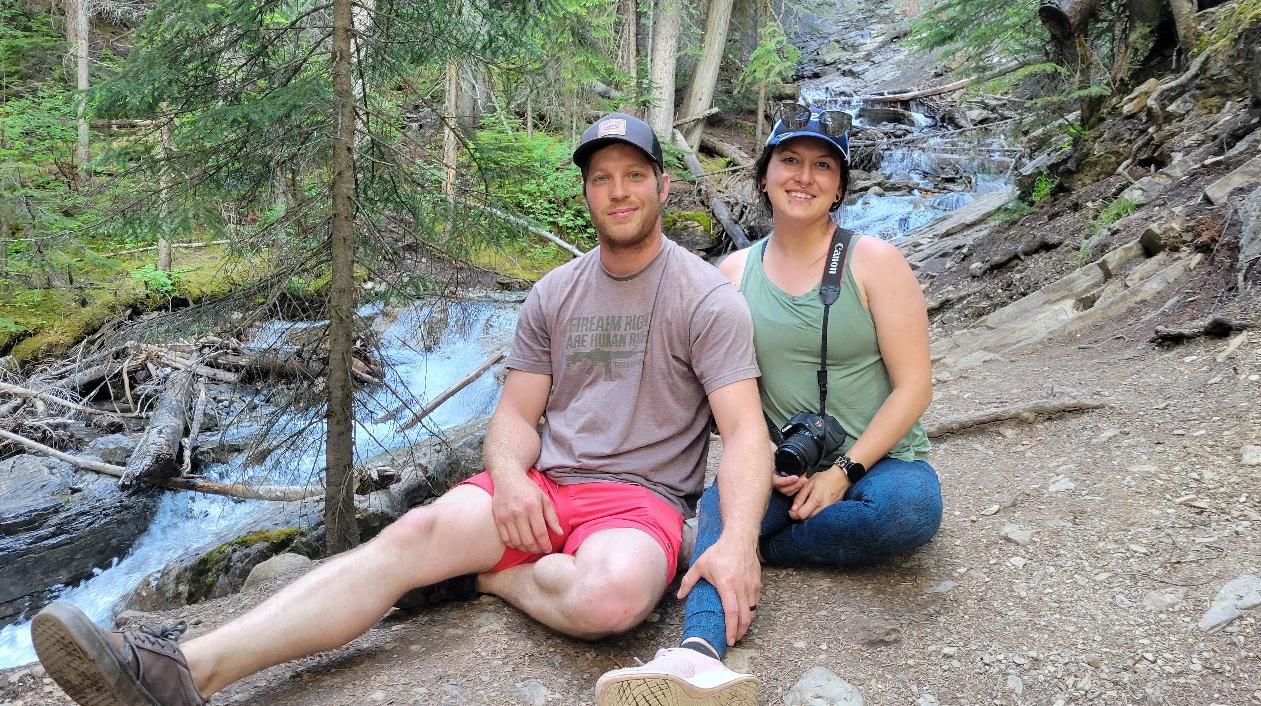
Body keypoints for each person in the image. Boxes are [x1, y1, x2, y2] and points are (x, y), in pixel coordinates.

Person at [30, 113, 774, 706]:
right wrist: (510, 480)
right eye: (602, 178)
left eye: (634, 176)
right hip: (547, 487)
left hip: (639, 502)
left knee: (610, 598)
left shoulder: (705, 298)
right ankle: (181, 669)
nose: (619, 192)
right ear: (586, 192)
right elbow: (516, 417)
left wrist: (737, 542)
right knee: (407, 536)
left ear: (663, 186)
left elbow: (745, 434)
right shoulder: (554, 292)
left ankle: (483, 579)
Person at [597, 103, 941, 704]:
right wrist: (762, 464)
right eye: (790, 161)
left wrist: (842, 472)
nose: (803, 177)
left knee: (910, 513)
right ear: (764, 177)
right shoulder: (733, 274)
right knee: (722, 503)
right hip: (780, 467)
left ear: (840, 186)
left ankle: (748, 548)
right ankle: (698, 654)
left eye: (822, 166)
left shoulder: (875, 262)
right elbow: (721, 392)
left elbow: (915, 387)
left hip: (881, 463)